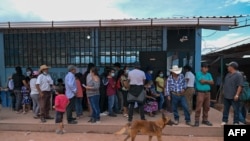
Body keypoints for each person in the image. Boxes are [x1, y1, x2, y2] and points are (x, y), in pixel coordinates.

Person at [221, 61, 244, 125]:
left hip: (234, 96)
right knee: (225, 109)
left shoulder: (238, 75)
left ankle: (236, 122)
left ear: (232, 67)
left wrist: (237, 95)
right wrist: (223, 91)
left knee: (236, 110)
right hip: (226, 95)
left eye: (229, 66)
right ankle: (224, 120)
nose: (227, 67)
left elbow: (240, 86)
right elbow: (225, 84)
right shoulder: (228, 74)